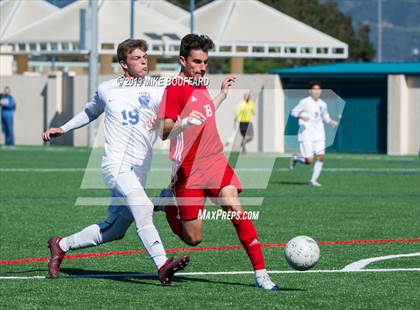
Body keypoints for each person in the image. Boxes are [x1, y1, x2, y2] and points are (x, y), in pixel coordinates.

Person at [42, 39, 189, 284]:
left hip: (140, 170)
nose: (144, 61)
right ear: (123, 63)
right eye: (137, 57)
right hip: (115, 165)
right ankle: (162, 265)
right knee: (142, 207)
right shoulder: (107, 89)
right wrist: (64, 128)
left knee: (115, 229)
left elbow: (178, 108)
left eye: (145, 56)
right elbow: (90, 112)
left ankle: (61, 244)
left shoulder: (157, 89)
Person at [157, 34, 279, 290]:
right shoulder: (174, 89)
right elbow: (164, 131)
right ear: (182, 60)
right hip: (187, 169)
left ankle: (261, 274)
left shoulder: (200, 84)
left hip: (214, 160)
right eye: (196, 62)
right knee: (194, 238)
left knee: (236, 208)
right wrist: (185, 123)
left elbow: (204, 112)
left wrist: (222, 95)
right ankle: (168, 202)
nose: (202, 68)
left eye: (205, 62)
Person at [289, 81, 338, 187]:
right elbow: (293, 112)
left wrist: (331, 122)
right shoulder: (305, 102)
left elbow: (325, 117)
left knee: (320, 157)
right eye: (314, 89)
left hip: (319, 135)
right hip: (306, 134)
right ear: (310, 91)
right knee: (309, 160)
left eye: (318, 89)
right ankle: (296, 158)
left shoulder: (323, 104)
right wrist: (301, 115)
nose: (316, 91)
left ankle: (313, 180)